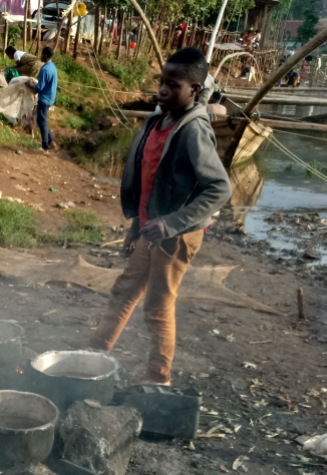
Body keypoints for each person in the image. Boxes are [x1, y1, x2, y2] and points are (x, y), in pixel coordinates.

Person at [89, 47, 232, 386]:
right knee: (124, 291)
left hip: (176, 234)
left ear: (195, 90)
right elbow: (148, 180)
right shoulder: (158, 120)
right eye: (162, 82)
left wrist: (171, 223)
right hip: (151, 229)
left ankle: (158, 379)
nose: (163, 90)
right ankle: (94, 356)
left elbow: (220, 189)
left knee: (157, 306)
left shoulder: (193, 130)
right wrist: (136, 226)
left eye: (174, 85)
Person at [26, 46, 58, 153]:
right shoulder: (52, 67)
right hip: (50, 97)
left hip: (44, 98)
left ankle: (45, 147)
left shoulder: (44, 69)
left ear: (45, 55)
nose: (40, 56)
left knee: (42, 122)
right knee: (40, 121)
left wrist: (30, 85)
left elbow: (40, 88)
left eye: (42, 53)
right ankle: (52, 142)